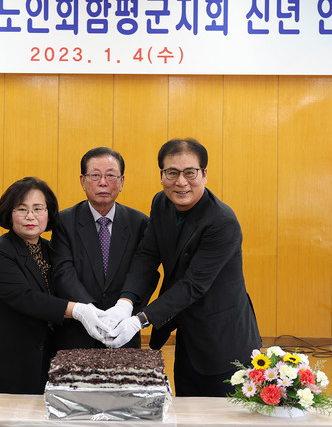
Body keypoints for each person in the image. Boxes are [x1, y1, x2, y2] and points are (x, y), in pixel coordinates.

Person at [102, 138, 262, 397]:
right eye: (172, 173)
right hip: (188, 335)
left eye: (190, 172)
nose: (181, 182)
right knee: (187, 408)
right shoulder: (161, 204)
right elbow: (146, 256)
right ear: (162, 176)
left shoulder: (222, 222)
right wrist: (125, 302)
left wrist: (139, 320)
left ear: (204, 174)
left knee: (223, 414)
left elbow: (193, 285)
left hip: (224, 340)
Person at [0, 177, 109, 394]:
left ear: (49, 213)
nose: (31, 216)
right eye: (22, 209)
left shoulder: (51, 250)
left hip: (38, 358)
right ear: (9, 214)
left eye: (38, 209)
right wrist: (78, 310)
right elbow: (25, 297)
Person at [51, 147, 157, 349]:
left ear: (122, 181)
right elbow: (63, 272)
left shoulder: (140, 223)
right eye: (95, 175)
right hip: (76, 333)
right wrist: (89, 311)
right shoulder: (64, 222)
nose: (103, 182)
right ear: (82, 181)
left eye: (110, 175)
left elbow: (145, 273)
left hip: (122, 331)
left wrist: (125, 307)